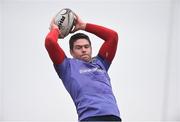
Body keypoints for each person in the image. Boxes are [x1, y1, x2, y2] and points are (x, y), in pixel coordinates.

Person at [45, 13, 121, 121]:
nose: (84, 49)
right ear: (71, 51)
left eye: (86, 46)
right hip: (90, 118)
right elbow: (50, 42)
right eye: (78, 47)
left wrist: (84, 26)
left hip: (114, 117)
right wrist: (55, 29)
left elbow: (113, 36)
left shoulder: (101, 63)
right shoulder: (67, 66)